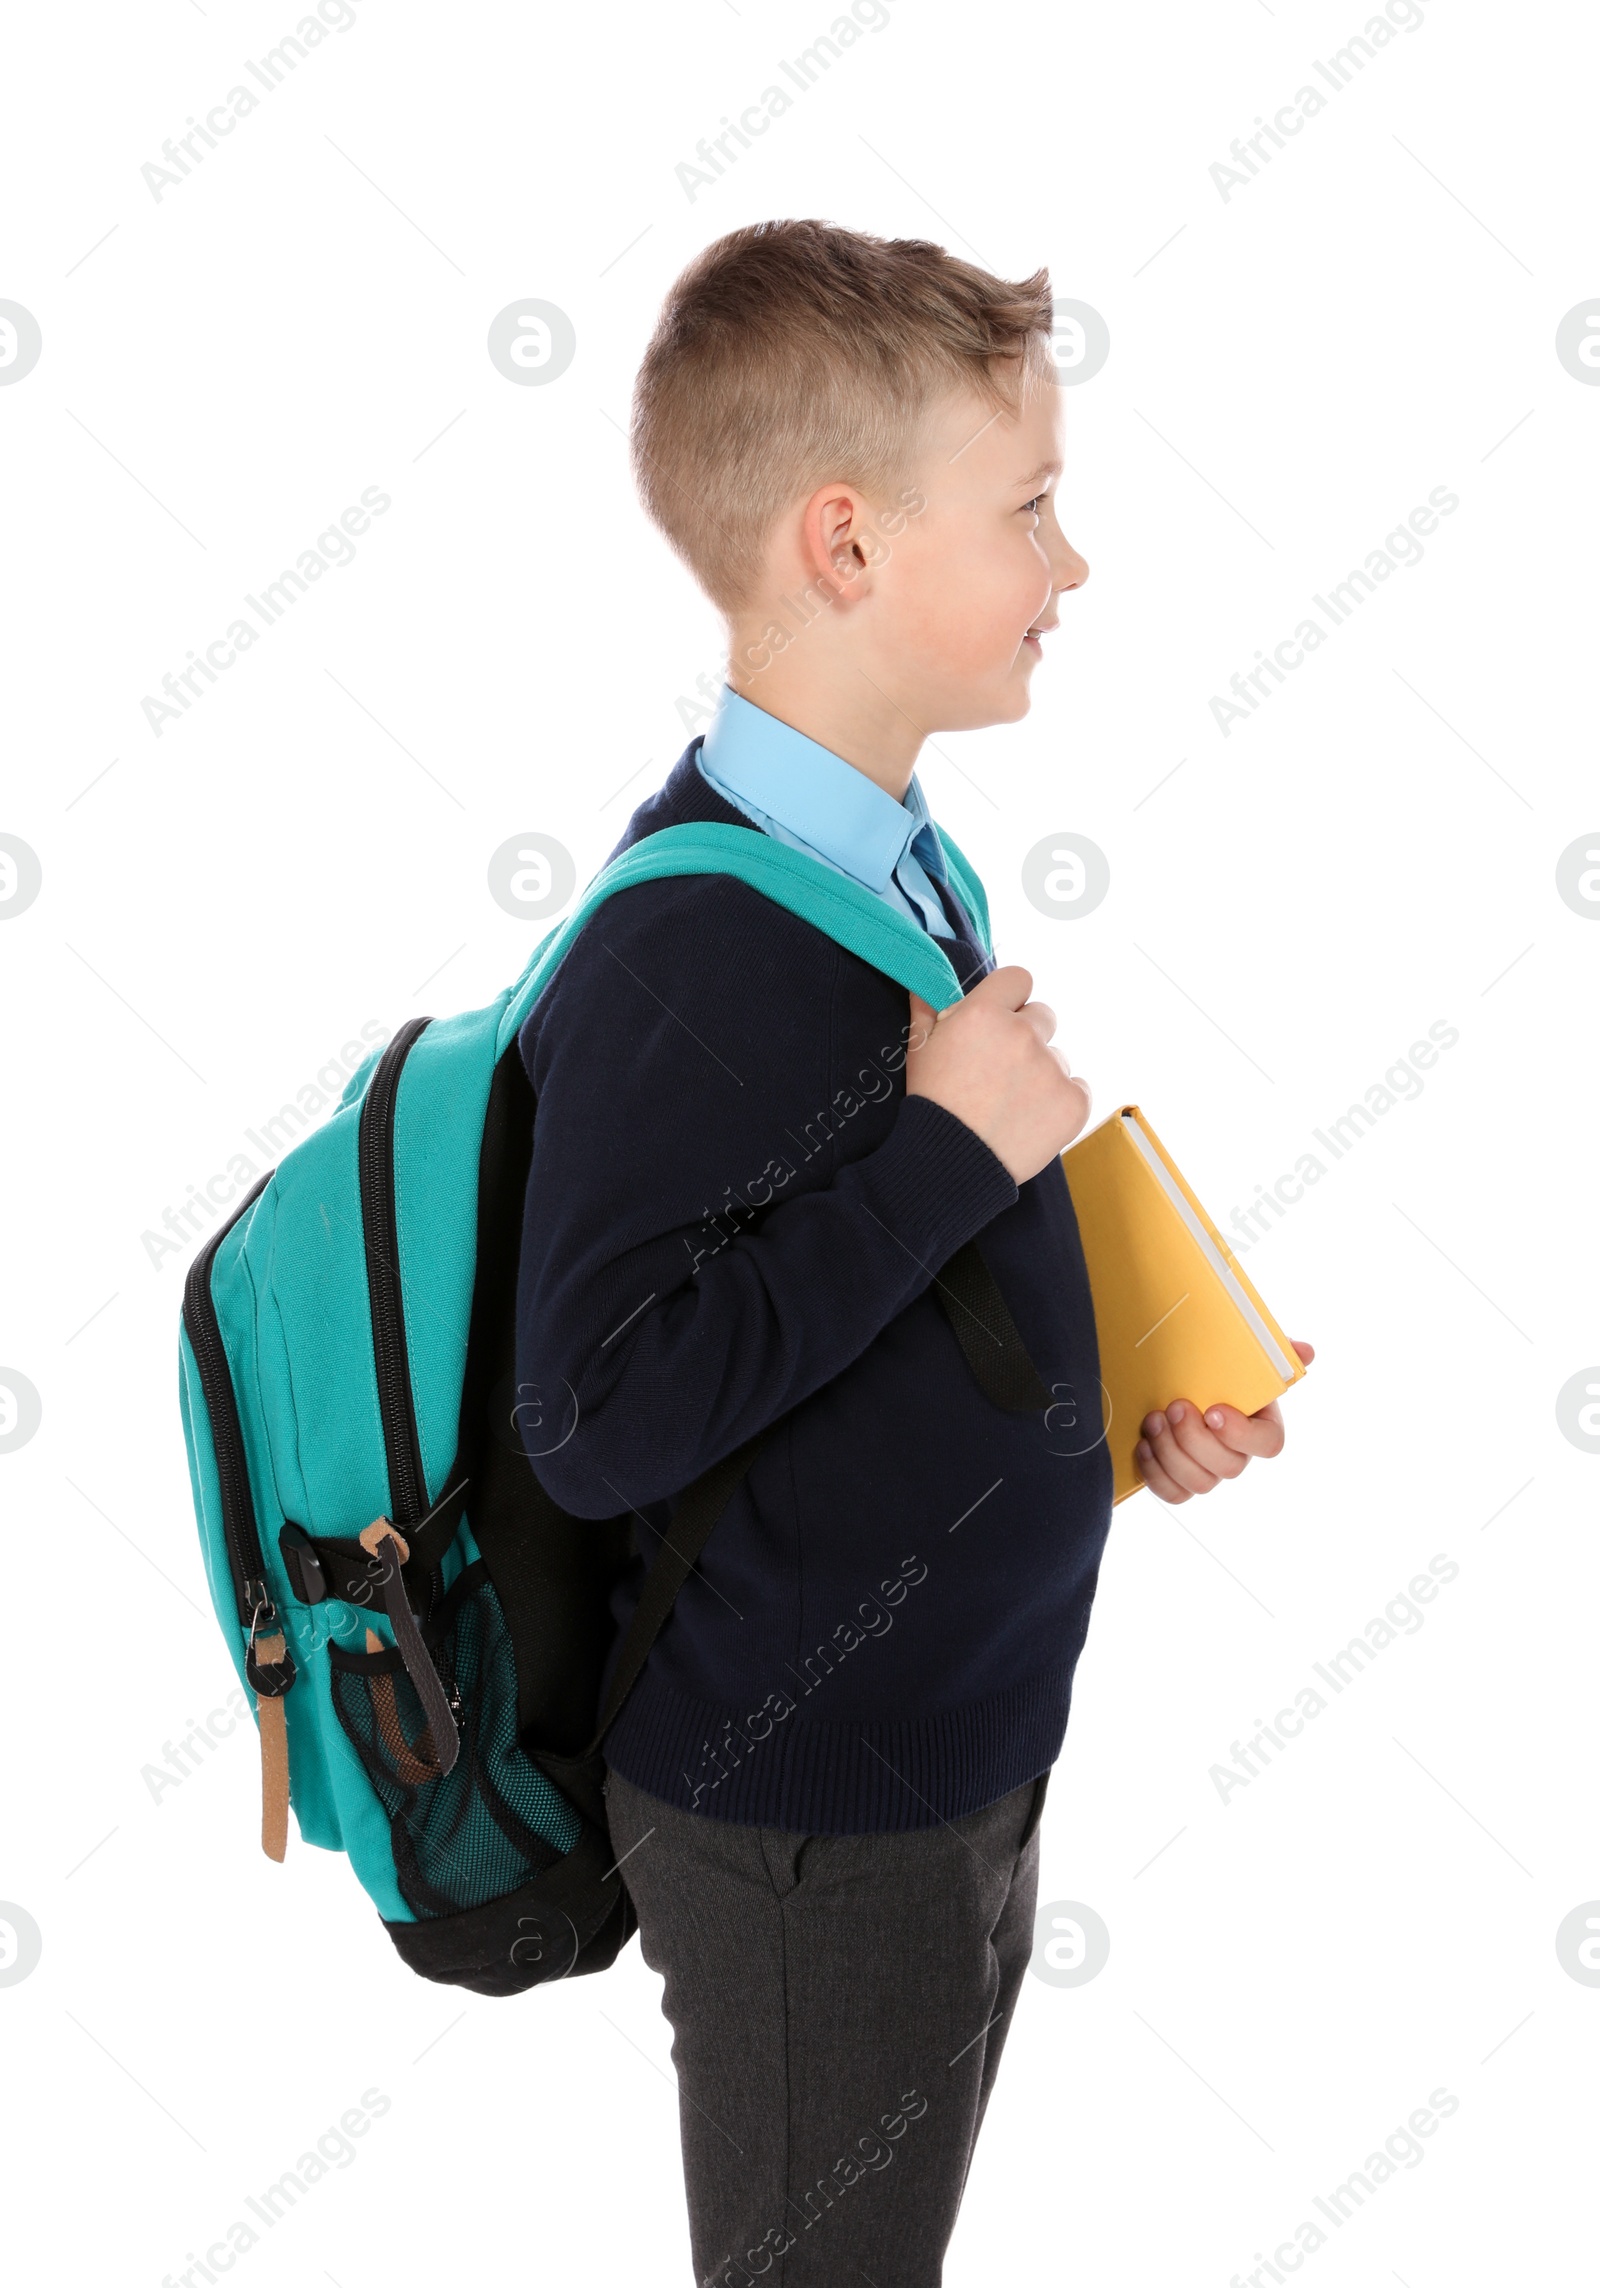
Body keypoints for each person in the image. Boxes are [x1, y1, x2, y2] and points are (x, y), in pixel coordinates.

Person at [514, 218, 1312, 2286]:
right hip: (804, 1814)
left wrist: (1110, 1402)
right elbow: (600, 1414)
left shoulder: (880, 856)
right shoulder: (687, 942)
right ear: (844, 548)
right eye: (1030, 508)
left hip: (951, 1750)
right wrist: (952, 1138)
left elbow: (872, 1301)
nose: (1072, 566)